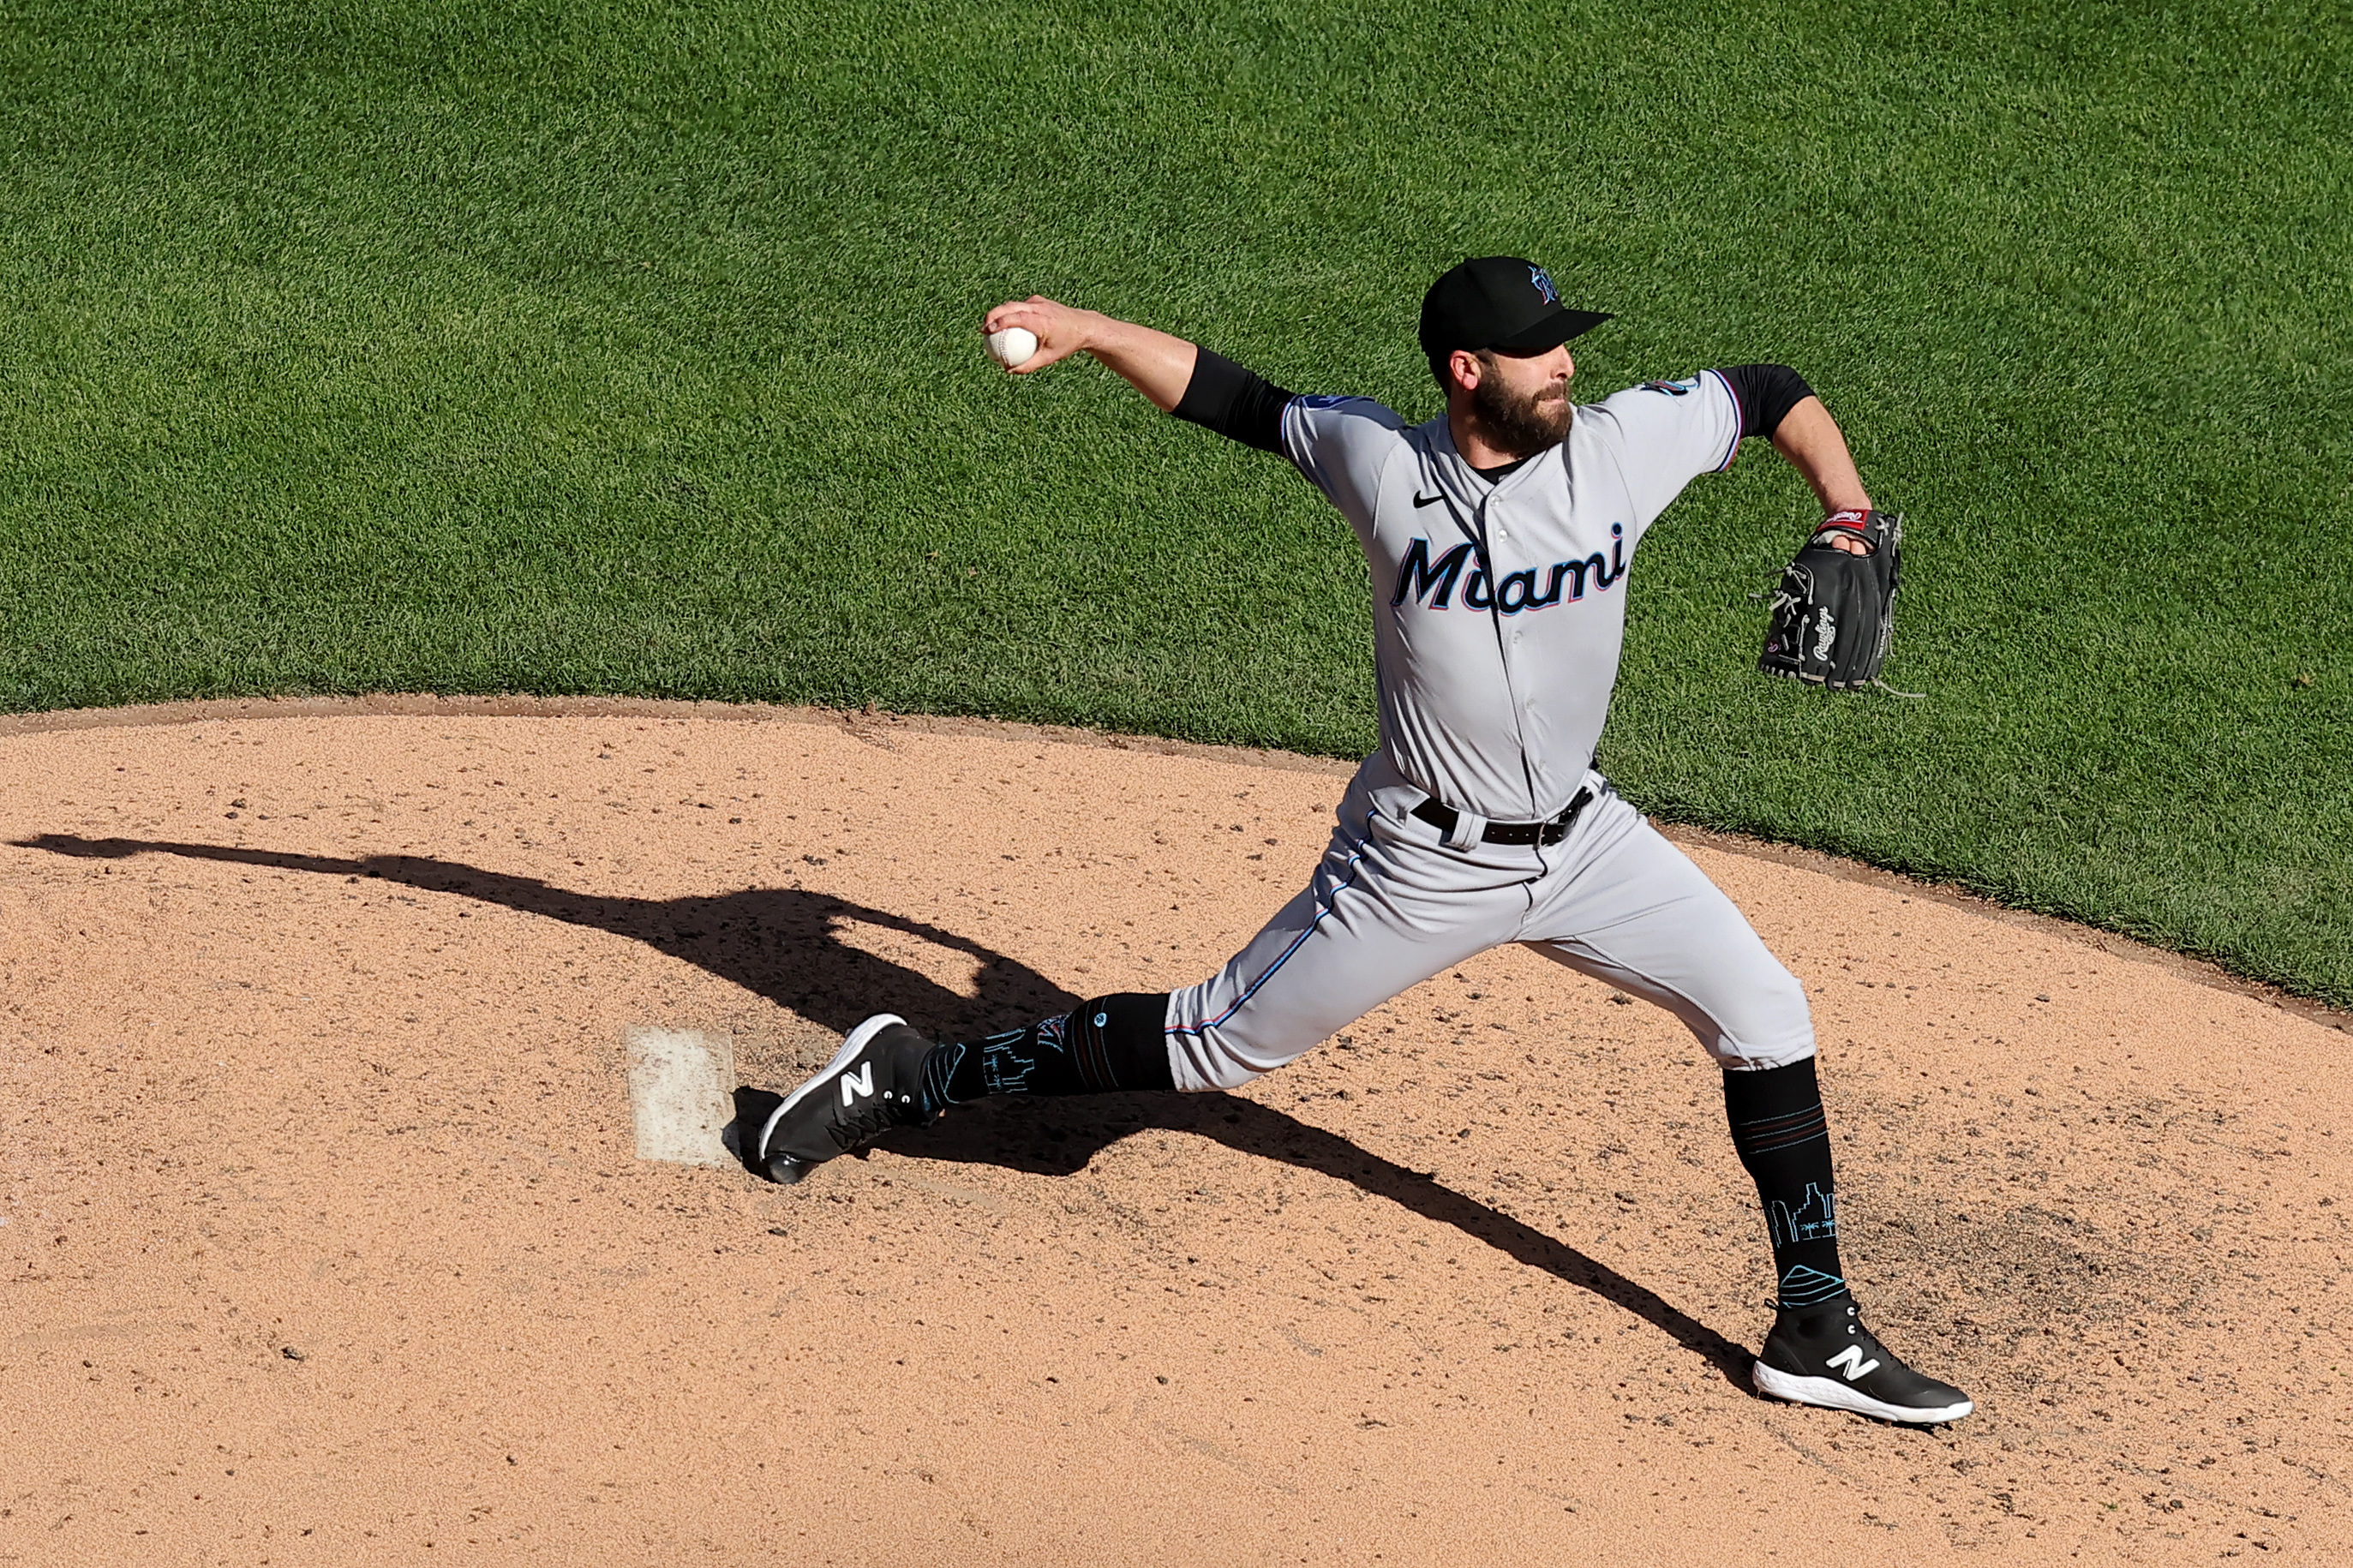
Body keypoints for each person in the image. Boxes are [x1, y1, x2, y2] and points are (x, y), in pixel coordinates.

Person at [738, 256, 1971, 1425]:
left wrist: (1848, 512)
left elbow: (1765, 392)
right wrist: (1097, 332)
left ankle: (1812, 1325)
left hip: (1588, 845)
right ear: (1465, 370)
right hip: (1417, 863)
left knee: (1765, 1009)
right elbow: (1232, 397)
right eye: (1535, 353)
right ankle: (908, 1074)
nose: (1564, 370)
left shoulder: (1620, 450)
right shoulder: (1377, 460)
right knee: (1217, 1040)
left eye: (1563, 348)